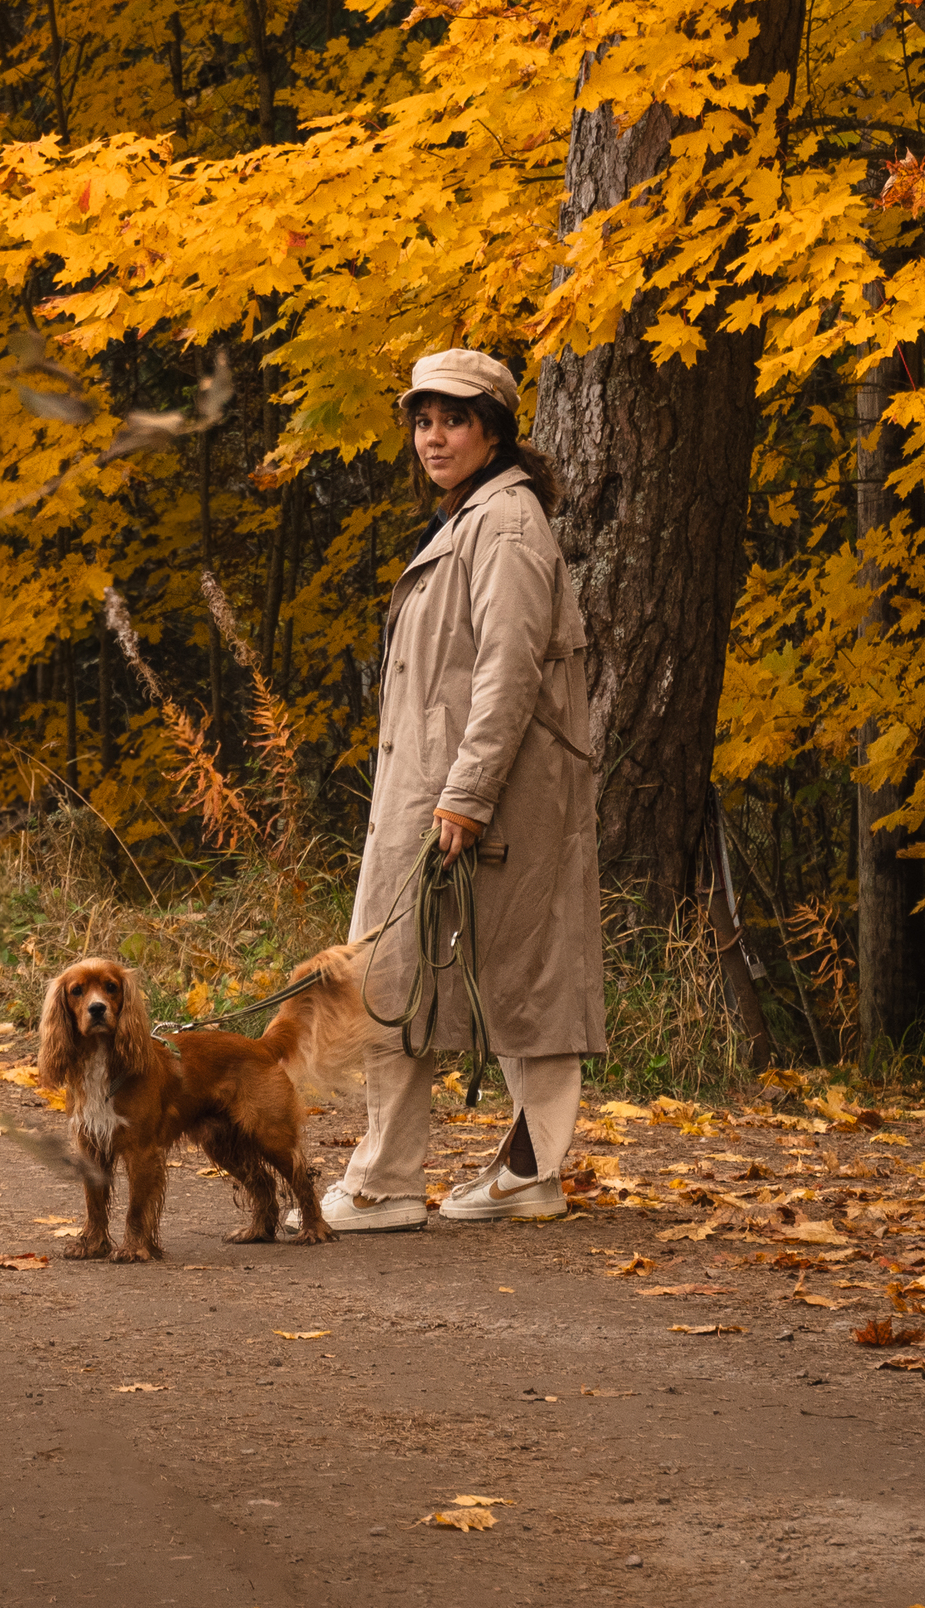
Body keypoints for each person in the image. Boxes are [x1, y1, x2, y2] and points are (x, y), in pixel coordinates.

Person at [315, 347, 605, 1230]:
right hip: (445, 789)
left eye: (454, 420)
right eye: (423, 421)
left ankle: (394, 1181)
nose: (434, 437)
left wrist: (469, 795)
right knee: (447, 974)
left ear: (493, 431)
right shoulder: (473, 518)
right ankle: (513, 1174)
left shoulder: (506, 525)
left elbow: (509, 674)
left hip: (477, 795)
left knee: (453, 976)